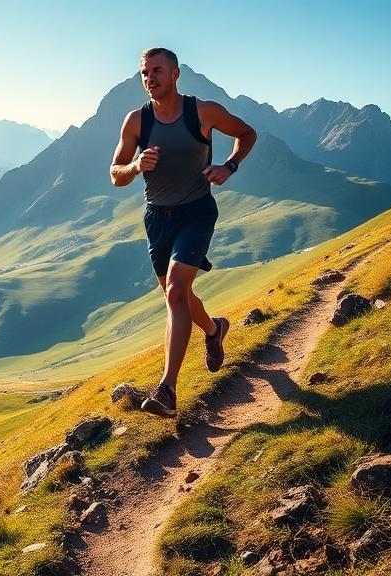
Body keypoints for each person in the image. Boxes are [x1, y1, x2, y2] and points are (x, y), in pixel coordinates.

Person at [109, 47, 257, 418]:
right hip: (157, 217)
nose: (150, 79)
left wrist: (230, 165)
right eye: (144, 73)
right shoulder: (136, 121)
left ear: (175, 74)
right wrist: (136, 165)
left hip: (196, 211)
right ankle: (214, 329)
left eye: (157, 71)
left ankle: (167, 390)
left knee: (175, 290)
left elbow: (246, 133)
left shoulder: (202, 111)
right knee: (179, 295)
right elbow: (115, 174)